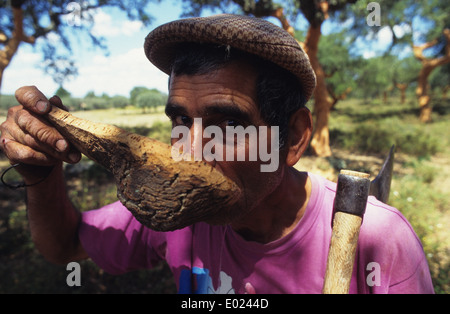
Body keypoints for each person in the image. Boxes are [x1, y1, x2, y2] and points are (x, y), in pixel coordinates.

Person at [0, 14, 434, 294]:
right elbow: (65, 245)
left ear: (295, 139)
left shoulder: (376, 240)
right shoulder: (178, 218)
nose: (189, 151)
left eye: (226, 124)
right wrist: (40, 171)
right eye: (180, 121)